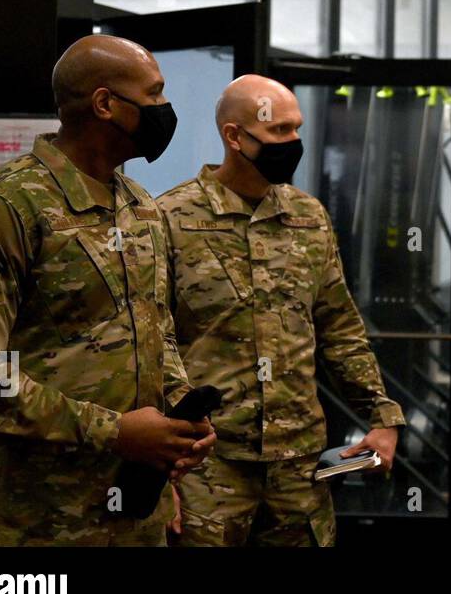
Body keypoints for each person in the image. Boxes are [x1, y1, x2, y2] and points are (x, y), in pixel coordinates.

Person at [0, 35, 215, 545]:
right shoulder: (2, 209)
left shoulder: (141, 206)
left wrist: (178, 416)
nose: (165, 110)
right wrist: (115, 433)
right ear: (105, 104)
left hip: (134, 507)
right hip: (35, 516)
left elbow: (156, 329)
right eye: (154, 95)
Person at [159, 74, 405, 546]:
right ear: (234, 137)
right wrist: (159, 473)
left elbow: (339, 327)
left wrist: (381, 414)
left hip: (298, 464)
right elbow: (150, 344)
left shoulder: (308, 217)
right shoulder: (169, 218)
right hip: (206, 465)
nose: (294, 142)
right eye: (279, 131)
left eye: (297, 129)